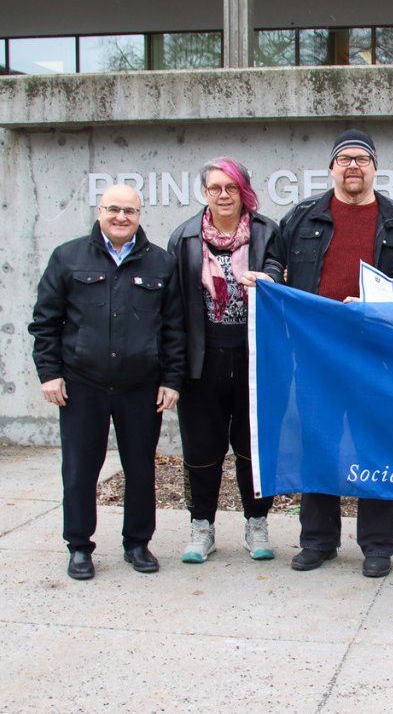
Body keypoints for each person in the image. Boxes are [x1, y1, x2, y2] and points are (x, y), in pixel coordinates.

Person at [263, 129, 393, 578]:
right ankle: (318, 540)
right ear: (332, 167)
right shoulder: (302, 216)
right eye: (345, 159)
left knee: (377, 446)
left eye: (362, 159)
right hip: (316, 353)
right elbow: (276, 260)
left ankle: (377, 545)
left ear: (375, 167)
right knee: (319, 443)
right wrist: (272, 279)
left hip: (377, 356)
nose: (353, 166)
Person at [29, 184, 185, 580]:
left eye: (129, 211)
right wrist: (49, 373)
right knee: (80, 469)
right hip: (83, 385)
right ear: (99, 211)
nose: (121, 217)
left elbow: (174, 329)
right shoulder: (67, 257)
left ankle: (137, 543)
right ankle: (79, 546)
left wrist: (171, 379)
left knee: (140, 468)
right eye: (113, 209)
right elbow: (46, 322)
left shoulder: (161, 264)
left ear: (139, 215)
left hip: (141, 387)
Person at [168, 157, 279, 564]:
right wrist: (175, 370)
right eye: (215, 188)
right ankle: (202, 526)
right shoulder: (184, 238)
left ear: (243, 190)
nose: (223, 195)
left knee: (253, 445)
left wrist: (269, 277)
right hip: (203, 358)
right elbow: (175, 309)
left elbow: (276, 268)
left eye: (231, 187)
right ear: (205, 193)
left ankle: (256, 521)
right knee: (202, 447)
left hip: (253, 354)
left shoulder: (267, 231)